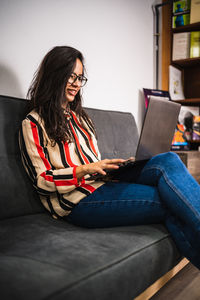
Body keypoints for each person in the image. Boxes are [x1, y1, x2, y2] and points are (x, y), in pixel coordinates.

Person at [19, 45, 200, 270]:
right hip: (77, 202)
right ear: (55, 74)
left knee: (169, 160)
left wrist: (118, 166)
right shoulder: (33, 122)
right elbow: (42, 181)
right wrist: (85, 169)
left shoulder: (81, 119)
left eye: (80, 77)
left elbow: (93, 163)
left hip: (102, 184)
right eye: (71, 76)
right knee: (170, 200)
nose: (76, 83)